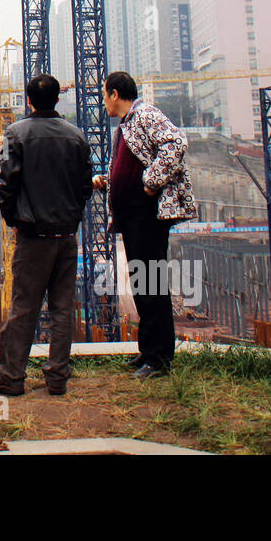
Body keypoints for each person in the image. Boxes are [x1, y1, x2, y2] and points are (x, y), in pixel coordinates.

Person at [0, 74, 92, 397]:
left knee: (23, 307)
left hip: (32, 236)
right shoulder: (77, 136)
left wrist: (12, 219)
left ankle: (12, 376)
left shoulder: (14, 134)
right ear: (58, 99)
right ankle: (57, 376)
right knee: (62, 308)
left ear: (28, 100)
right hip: (66, 235)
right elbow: (85, 186)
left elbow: (6, 183)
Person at [92, 71, 197, 379]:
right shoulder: (127, 125)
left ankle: (160, 358)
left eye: (104, 94)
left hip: (149, 216)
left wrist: (151, 182)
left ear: (114, 94)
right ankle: (148, 352)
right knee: (143, 285)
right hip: (135, 217)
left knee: (151, 284)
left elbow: (177, 142)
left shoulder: (144, 114)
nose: (103, 102)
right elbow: (133, 166)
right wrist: (108, 182)